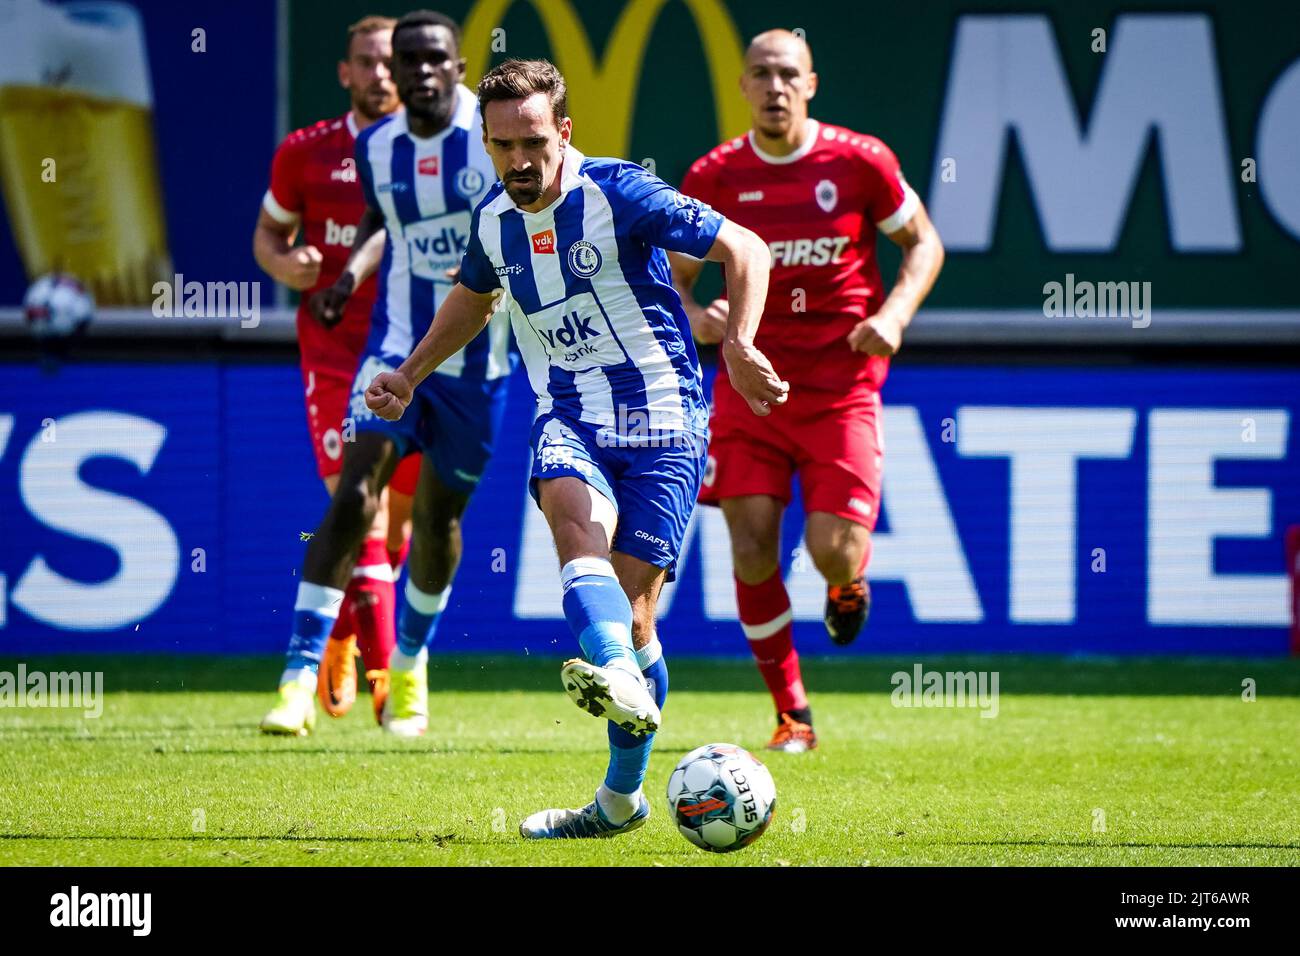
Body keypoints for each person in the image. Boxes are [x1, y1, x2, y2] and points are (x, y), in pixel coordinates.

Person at [365, 57, 785, 838]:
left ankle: (620, 799)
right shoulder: (494, 220)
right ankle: (619, 676)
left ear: (563, 130)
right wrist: (412, 373)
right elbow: (474, 294)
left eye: (531, 142)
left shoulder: (619, 191)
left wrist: (739, 345)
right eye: (501, 146)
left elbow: (748, 249)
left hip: (665, 419)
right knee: (569, 517)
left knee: (632, 624)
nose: (518, 162)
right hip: (571, 412)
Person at [671, 29, 945, 753]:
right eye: (759, 74)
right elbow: (672, 276)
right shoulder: (715, 175)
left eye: (787, 73)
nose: (774, 86)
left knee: (833, 549)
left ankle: (846, 581)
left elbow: (923, 243)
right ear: (742, 87)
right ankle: (793, 712)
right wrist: (700, 320)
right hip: (750, 386)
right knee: (752, 544)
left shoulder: (860, 162)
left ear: (811, 83)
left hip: (840, 386)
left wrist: (893, 315)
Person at [261, 9, 512, 738]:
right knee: (354, 494)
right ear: (395, 75)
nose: (423, 72)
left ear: (459, 68)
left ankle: (408, 662)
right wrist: (347, 276)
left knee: (437, 524)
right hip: (395, 351)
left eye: (438, 59)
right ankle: (297, 677)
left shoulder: (496, 140)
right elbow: (383, 221)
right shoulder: (377, 148)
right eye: (410, 63)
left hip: (479, 365)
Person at [253, 14, 417, 724]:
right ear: (345, 72)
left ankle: (343, 634)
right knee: (364, 510)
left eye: (391, 62)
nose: (380, 73)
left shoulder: (437, 152)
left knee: (400, 525)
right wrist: (284, 263)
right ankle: (396, 693)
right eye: (366, 62)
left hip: (418, 354)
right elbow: (269, 233)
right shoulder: (306, 152)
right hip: (334, 353)